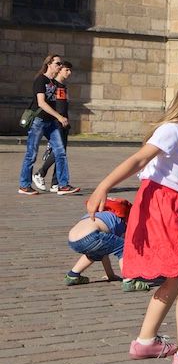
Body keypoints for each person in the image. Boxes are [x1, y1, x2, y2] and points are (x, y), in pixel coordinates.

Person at [84, 60, 178, 364]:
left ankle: (146, 341)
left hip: (176, 204)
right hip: (161, 204)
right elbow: (139, 158)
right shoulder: (173, 128)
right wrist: (103, 186)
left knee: (177, 275)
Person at [18, 55, 79, 196]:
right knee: (31, 154)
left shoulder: (53, 82)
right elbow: (41, 103)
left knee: (60, 152)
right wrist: (60, 117)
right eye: (58, 63)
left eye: (60, 64)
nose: (60, 66)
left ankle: (62, 185)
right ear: (49, 64)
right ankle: (24, 185)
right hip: (38, 121)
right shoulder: (41, 80)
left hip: (50, 122)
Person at [66, 197, 151, 292]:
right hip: (92, 236)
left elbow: (105, 251)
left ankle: (73, 275)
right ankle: (129, 281)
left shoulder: (100, 214)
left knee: (97, 251)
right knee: (124, 247)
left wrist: (111, 275)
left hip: (72, 240)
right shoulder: (121, 222)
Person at [33, 60, 74, 193]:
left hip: (64, 121)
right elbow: (53, 106)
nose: (69, 72)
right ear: (60, 69)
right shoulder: (54, 85)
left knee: (62, 153)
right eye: (66, 70)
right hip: (57, 121)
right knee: (59, 151)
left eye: (70, 70)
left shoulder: (63, 86)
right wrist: (59, 119)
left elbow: (64, 105)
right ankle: (40, 173)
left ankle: (55, 183)